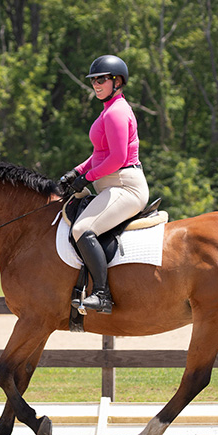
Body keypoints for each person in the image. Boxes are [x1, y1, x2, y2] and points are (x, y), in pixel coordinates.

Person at [59, 55, 149, 314]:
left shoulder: (117, 112)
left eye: (101, 79)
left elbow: (118, 158)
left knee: (83, 229)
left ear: (117, 81)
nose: (96, 84)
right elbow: (100, 154)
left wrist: (86, 178)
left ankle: (102, 294)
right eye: (93, 80)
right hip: (111, 184)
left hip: (125, 186)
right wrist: (77, 171)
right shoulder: (109, 111)